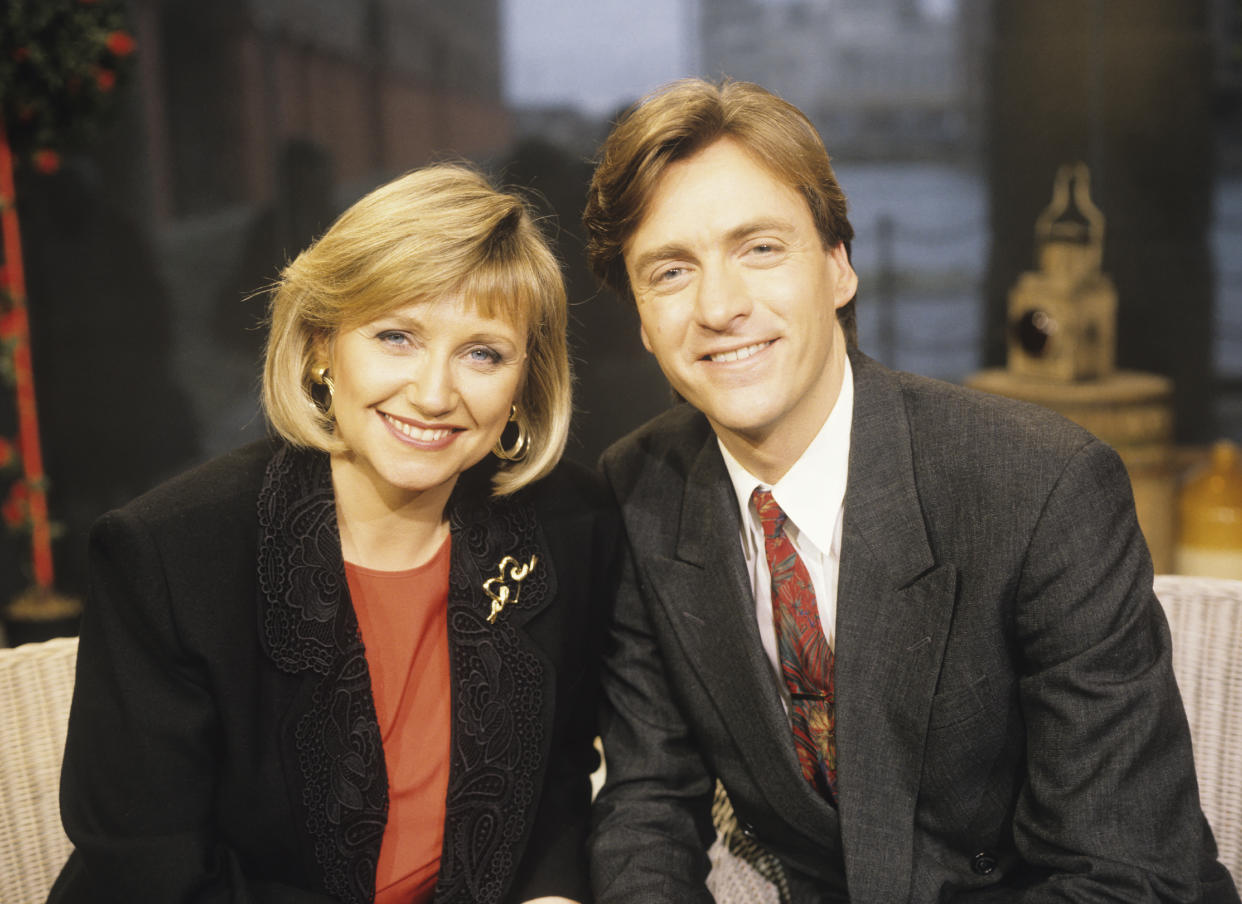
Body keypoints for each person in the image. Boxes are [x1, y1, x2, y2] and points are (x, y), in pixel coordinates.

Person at [582, 78, 1239, 903]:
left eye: (760, 248)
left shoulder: (1042, 486)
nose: (719, 306)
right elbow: (647, 805)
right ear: (642, 321)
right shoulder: (639, 489)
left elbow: (1134, 875)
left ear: (838, 268)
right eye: (671, 271)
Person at [50, 164, 617, 904]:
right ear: (322, 346)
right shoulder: (168, 554)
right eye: (396, 336)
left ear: (522, 385)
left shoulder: (568, 529)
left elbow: (557, 778)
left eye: (483, 353)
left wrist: (551, 895)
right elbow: (148, 869)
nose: (436, 392)